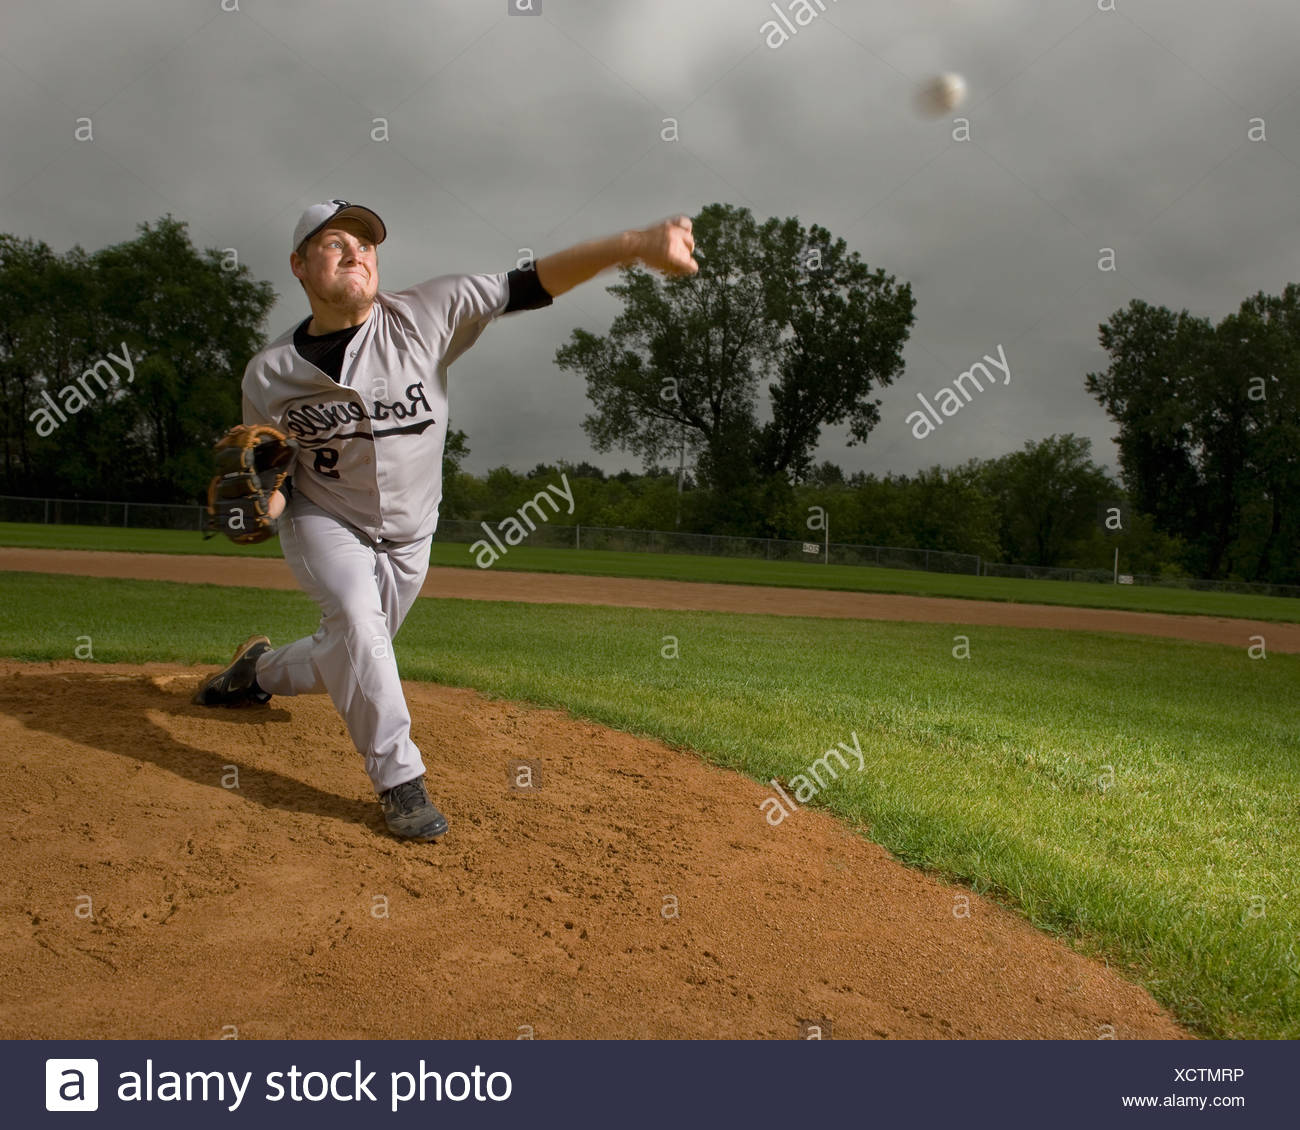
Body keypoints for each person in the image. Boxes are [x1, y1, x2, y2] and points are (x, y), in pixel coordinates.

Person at [192, 198, 697, 841]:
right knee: (354, 618)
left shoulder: (429, 312)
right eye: (334, 243)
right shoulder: (270, 373)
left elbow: (531, 284)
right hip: (326, 518)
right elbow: (278, 474)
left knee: (348, 653)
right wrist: (266, 504)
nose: (356, 252)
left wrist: (635, 244)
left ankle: (255, 672)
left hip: (411, 535)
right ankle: (400, 783)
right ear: (298, 265)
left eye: (366, 244)